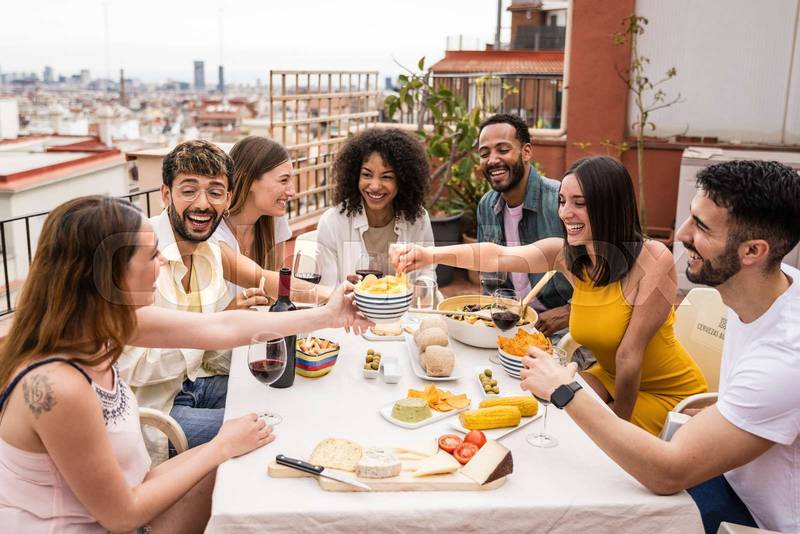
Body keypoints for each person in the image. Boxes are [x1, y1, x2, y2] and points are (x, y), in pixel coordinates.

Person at [0, 195, 370, 533]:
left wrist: (328, 315)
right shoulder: (57, 388)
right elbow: (123, 515)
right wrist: (220, 446)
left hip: (134, 506)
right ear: (105, 275)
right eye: (150, 256)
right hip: (124, 524)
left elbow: (221, 328)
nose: (162, 262)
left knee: (250, 468)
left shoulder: (106, 324)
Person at [518, 160, 800, 533]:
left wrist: (564, 389)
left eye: (700, 226)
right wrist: (722, 411)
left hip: (749, 517)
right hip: (723, 474)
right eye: (689, 218)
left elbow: (667, 473)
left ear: (752, 252)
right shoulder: (770, 286)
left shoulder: (785, 358)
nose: (681, 234)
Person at [391, 156, 707, 436]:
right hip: (608, 375)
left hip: (662, 392)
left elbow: (629, 355)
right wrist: (429, 254)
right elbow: (497, 255)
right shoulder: (569, 255)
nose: (565, 213)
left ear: (610, 205)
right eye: (562, 201)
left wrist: (616, 431)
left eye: (579, 203)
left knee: (582, 436)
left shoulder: (653, 259)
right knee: (547, 412)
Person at [118, 139, 320, 462]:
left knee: (291, 402)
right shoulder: (138, 253)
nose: (202, 203)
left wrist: (227, 325)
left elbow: (211, 354)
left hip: (197, 386)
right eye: (189, 190)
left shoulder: (211, 251)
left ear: (227, 200)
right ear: (166, 194)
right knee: (270, 430)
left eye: (214, 192)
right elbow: (131, 370)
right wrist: (213, 327)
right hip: (153, 415)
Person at [476, 114, 573, 337]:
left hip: (564, 330)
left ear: (526, 152)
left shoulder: (560, 200)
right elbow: (489, 280)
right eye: (484, 153)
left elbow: (603, 280)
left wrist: (569, 312)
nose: (492, 160)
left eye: (503, 149)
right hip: (510, 323)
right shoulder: (486, 206)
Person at [316, 128, 436, 286]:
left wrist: (420, 289)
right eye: (366, 174)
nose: (375, 186)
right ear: (354, 176)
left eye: (387, 177)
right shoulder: (332, 223)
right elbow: (327, 289)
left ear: (402, 180)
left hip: (405, 309)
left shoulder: (418, 219)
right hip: (348, 310)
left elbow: (427, 273)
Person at [213, 136, 295, 305]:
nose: (292, 191)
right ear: (248, 180)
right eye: (283, 180)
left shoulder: (274, 220)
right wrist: (330, 294)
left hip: (257, 326)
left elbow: (276, 297)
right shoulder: (211, 230)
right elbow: (264, 280)